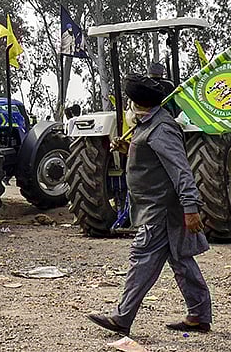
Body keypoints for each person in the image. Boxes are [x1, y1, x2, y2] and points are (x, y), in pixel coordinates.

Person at [87, 73, 212, 336]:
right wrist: (127, 148)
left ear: (136, 103)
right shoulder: (148, 126)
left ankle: (122, 318)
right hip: (160, 209)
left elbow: (181, 171)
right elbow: (151, 158)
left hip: (161, 211)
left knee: (142, 259)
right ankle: (199, 316)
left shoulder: (161, 129)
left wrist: (191, 208)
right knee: (181, 261)